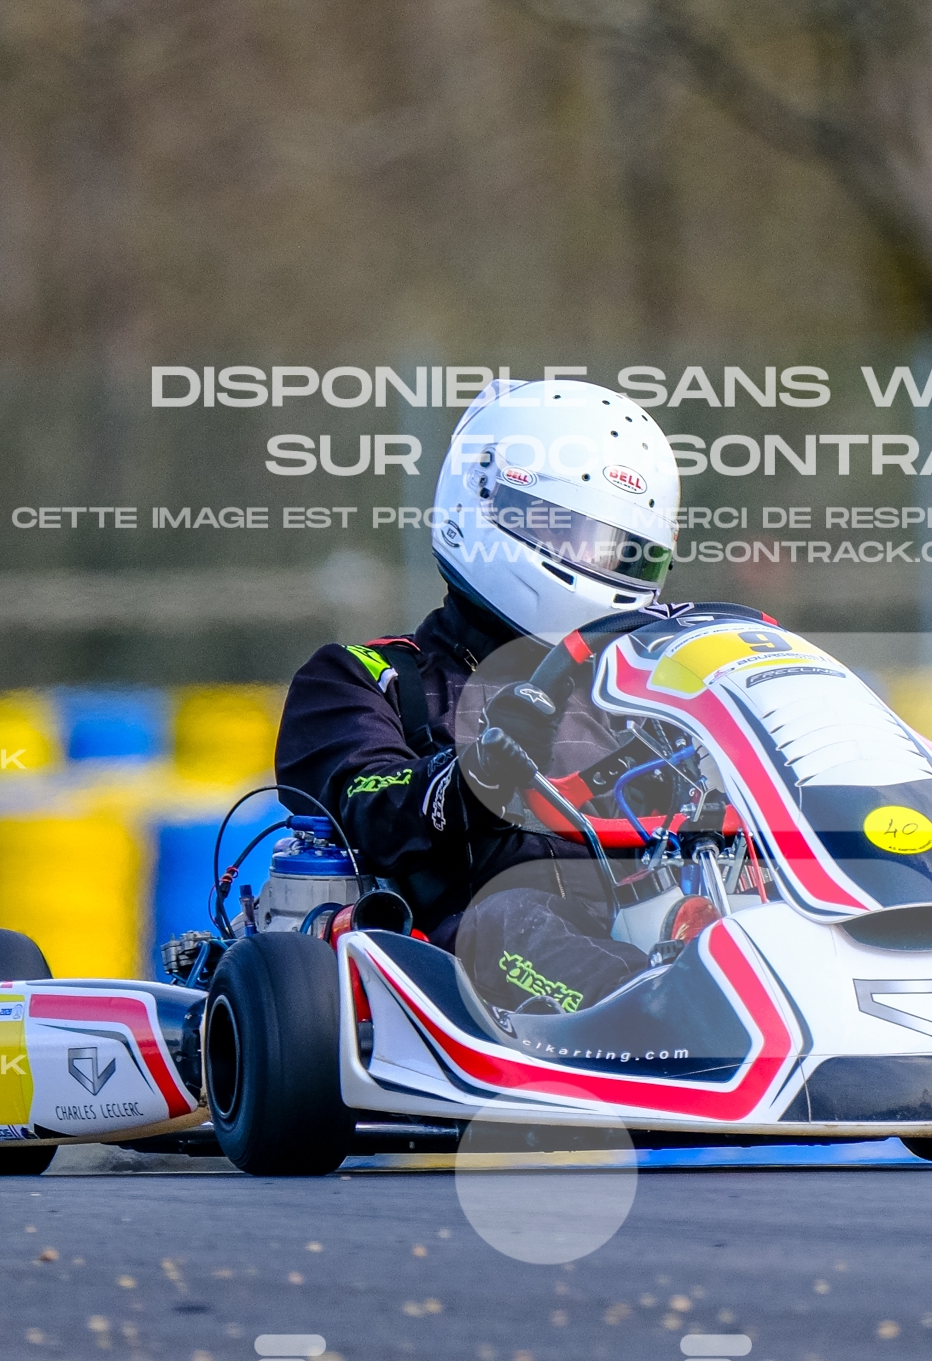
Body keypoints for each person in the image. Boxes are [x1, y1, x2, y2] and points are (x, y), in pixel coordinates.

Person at [274, 377, 678, 1014]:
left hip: (654, 932)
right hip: (461, 973)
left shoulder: (644, 697)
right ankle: (662, 1017)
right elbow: (372, 808)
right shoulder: (364, 679)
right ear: (484, 506)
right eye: (575, 535)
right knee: (510, 919)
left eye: (627, 553)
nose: (602, 565)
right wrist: (475, 773)